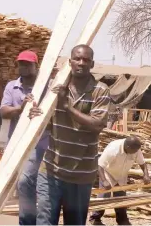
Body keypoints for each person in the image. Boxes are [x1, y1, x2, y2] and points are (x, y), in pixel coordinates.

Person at [29, 44, 111, 225]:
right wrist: (35, 116)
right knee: (44, 221)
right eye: (77, 58)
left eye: (86, 60)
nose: (81, 63)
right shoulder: (55, 87)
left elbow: (97, 125)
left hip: (80, 174)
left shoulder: (100, 90)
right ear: (70, 62)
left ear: (92, 64)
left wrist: (67, 107)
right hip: (51, 169)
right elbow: (45, 123)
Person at [0, 50, 50, 225]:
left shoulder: (46, 87)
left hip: (39, 143)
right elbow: (3, 111)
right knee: (23, 184)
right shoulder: (11, 86)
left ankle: (28, 221)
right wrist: (20, 109)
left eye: (28, 64)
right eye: (21, 63)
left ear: (36, 65)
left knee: (25, 181)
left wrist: (40, 112)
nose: (24, 67)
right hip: (16, 143)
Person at [89, 136, 151, 225]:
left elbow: (142, 163)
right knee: (104, 196)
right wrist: (104, 180)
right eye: (134, 151)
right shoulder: (113, 149)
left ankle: (122, 220)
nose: (136, 152)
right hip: (108, 173)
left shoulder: (135, 148)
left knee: (121, 197)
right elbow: (100, 165)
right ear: (128, 147)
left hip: (122, 175)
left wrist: (146, 175)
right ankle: (95, 218)